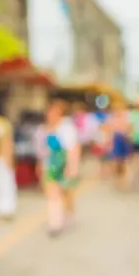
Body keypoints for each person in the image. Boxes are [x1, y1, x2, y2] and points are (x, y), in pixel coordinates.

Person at [39, 100, 81, 237]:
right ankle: (55, 223)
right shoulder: (44, 128)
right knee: (52, 194)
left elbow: (73, 148)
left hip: (63, 165)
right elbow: (42, 151)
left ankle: (68, 213)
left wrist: (72, 167)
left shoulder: (67, 128)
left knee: (66, 193)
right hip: (49, 166)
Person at [107, 102, 132, 190]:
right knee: (116, 161)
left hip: (123, 139)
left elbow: (129, 129)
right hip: (116, 139)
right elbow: (109, 131)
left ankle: (123, 180)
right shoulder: (112, 118)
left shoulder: (126, 116)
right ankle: (118, 178)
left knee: (124, 161)